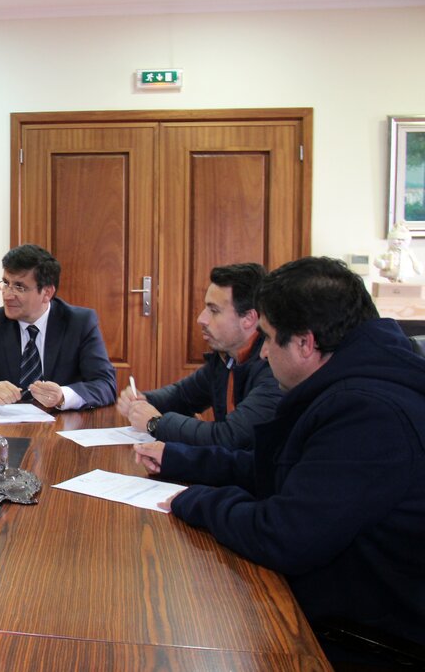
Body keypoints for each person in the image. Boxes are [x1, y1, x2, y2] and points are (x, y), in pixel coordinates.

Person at [134, 257, 425, 665]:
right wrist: (184, 462)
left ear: (305, 343)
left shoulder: (369, 414)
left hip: (356, 635)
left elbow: (285, 535)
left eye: (269, 339)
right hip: (334, 597)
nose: (265, 353)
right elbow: (280, 470)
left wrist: (198, 502)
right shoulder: (352, 384)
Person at [117, 263, 281, 449]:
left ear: (249, 319)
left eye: (214, 310)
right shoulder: (225, 357)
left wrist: (155, 423)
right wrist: (142, 400)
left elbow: (229, 436)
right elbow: (183, 396)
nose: (201, 318)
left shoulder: (274, 367)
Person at [0, 243, 116, 409]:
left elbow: (106, 385)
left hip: (62, 424)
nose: (7, 295)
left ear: (47, 293)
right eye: (6, 283)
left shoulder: (79, 322)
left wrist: (63, 396)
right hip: (7, 427)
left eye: (19, 287)